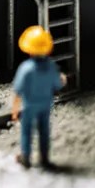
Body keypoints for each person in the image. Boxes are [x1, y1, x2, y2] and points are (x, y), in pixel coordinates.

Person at [11, 25, 63, 169]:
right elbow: (58, 84)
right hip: (46, 104)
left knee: (27, 131)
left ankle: (26, 157)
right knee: (44, 131)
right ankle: (44, 158)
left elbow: (18, 90)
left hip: (30, 105)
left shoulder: (26, 69)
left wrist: (15, 110)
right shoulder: (52, 67)